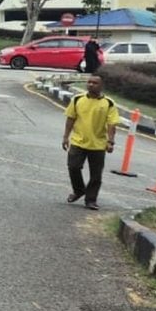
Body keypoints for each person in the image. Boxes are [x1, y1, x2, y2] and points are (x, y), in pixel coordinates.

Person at [62, 75, 119, 210]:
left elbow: (112, 124)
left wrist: (110, 141)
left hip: (98, 144)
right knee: (73, 167)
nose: (91, 85)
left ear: (101, 86)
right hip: (78, 141)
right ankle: (79, 190)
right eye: (89, 82)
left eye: (95, 83)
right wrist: (65, 137)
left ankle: (91, 200)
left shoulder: (108, 103)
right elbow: (70, 118)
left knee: (96, 175)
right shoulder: (77, 99)